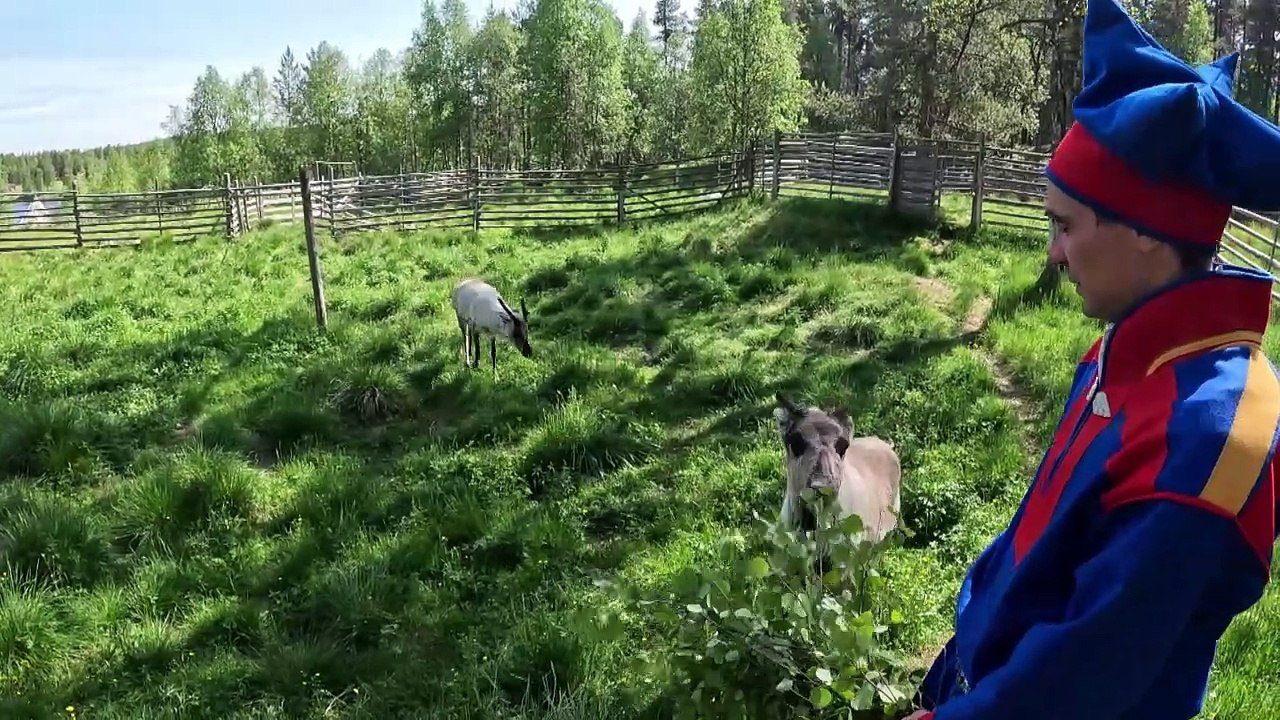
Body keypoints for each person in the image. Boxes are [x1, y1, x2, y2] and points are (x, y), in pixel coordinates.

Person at [906, 1, 1280, 718]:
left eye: (1066, 225)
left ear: (1145, 232)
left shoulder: (1216, 433)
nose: (1052, 253)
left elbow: (1086, 677)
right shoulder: (1134, 350)